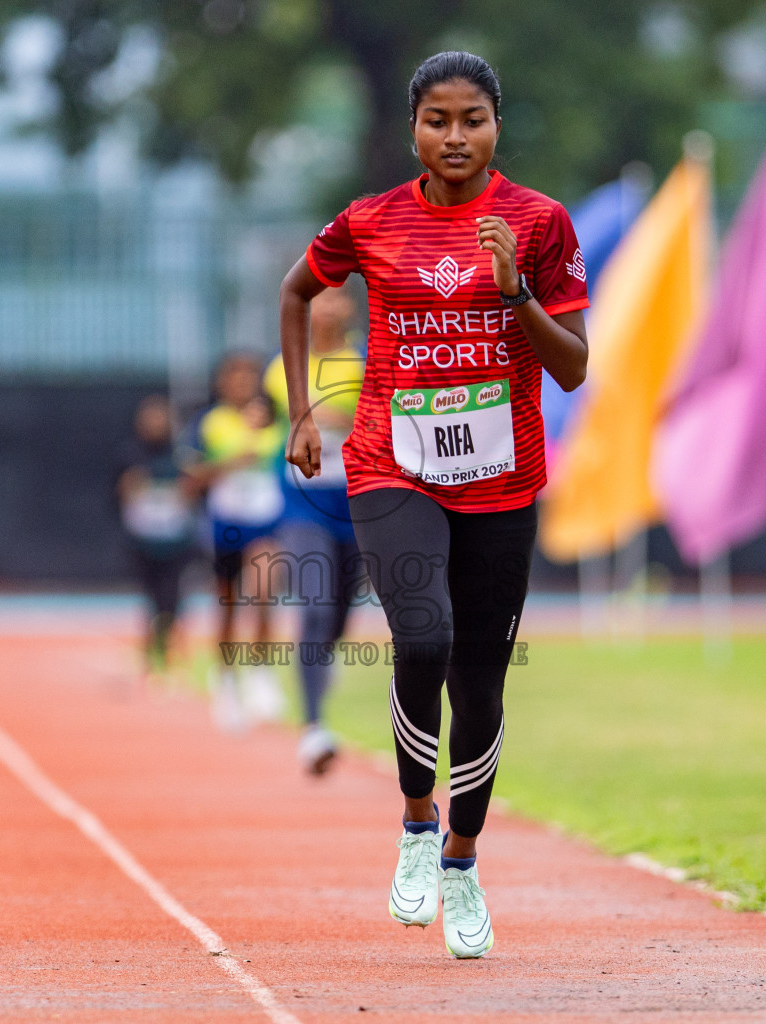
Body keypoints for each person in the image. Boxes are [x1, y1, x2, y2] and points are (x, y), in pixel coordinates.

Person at [277, 51, 589, 958]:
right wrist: (303, 410)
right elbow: (299, 289)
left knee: (482, 682)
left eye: (474, 120)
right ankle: (417, 822)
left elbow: (572, 365)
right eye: (438, 121)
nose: (456, 137)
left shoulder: (537, 224)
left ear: (498, 126)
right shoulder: (370, 221)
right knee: (423, 638)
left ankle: (461, 860)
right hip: (391, 463)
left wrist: (515, 291)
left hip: (503, 475)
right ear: (414, 127)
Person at [263, 290, 366, 775]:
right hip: (302, 504)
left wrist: (335, 418)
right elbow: (284, 420)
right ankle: (313, 726)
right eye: (318, 299)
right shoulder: (286, 365)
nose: (326, 308)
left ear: (348, 309)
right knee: (315, 606)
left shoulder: (366, 358)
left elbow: (376, 417)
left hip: (357, 500)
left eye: (336, 300)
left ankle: (322, 660)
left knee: (341, 613)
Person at [192, 352, 288, 730]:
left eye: (250, 376)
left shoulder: (276, 421)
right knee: (229, 606)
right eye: (235, 376)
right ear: (222, 383)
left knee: (265, 590)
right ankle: (227, 681)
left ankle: (261, 671)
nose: (243, 383)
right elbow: (191, 477)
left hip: (266, 522)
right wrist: (233, 462)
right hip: (226, 524)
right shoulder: (210, 424)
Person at [115, 395, 198, 684]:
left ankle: (168, 654)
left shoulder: (181, 454)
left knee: (172, 597)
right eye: (150, 418)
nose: (155, 423)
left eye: (160, 417)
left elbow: (194, 487)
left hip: (175, 539)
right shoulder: (130, 454)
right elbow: (119, 491)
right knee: (152, 598)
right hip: (143, 539)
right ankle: (152, 654)